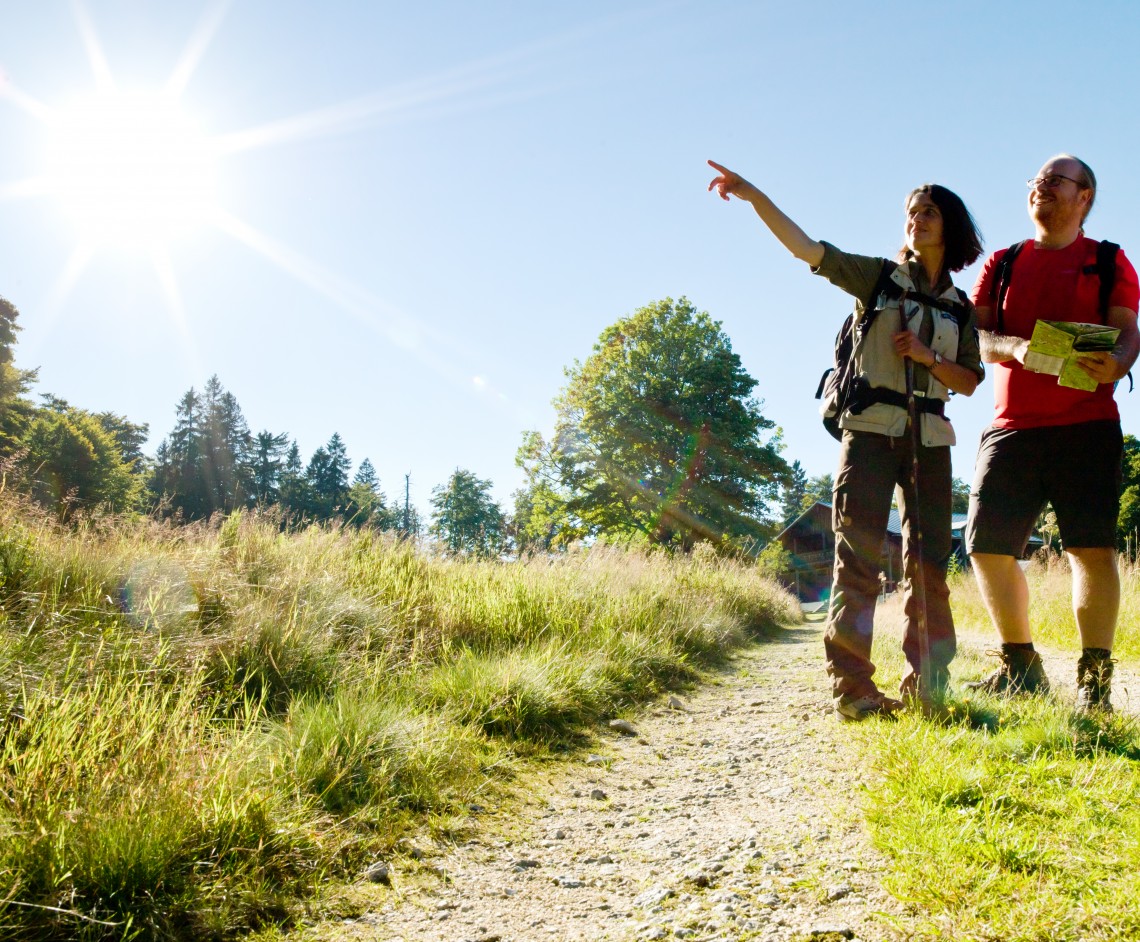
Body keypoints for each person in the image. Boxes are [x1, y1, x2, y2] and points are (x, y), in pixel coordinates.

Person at [708, 160, 984, 720]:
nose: (917, 220)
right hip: (870, 433)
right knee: (857, 560)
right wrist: (753, 193)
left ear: (950, 225)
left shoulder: (961, 307)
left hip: (931, 437)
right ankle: (853, 690)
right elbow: (806, 249)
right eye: (910, 213)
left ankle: (928, 684)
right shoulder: (877, 278)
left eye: (929, 212)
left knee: (929, 565)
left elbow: (970, 380)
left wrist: (928, 356)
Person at [965, 154, 1140, 712]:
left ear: (1084, 196)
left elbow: (1127, 331)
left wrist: (1118, 362)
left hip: (1087, 426)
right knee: (985, 547)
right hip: (1010, 428)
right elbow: (975, 337)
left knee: (1090, 551)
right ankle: (1021, 667)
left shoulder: (1109, 261)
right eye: (1036, 181)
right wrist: (1012, 346)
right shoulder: (1004, 261)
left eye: (1055, 181)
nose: (1041, 187)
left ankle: (1095, 684)